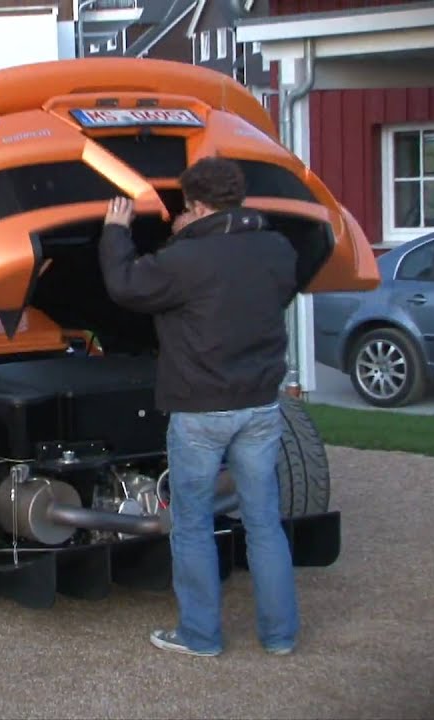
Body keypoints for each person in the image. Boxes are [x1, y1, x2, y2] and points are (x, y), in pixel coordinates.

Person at [97, 157, 301, 657]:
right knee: (264, 524)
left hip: (200, 411)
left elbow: (125, 285)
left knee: (192, 526)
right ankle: (279, 636)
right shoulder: (277, 248)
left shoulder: (186, 260)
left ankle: (200, 636)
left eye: (186, 207)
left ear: (199, 205)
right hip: (260, 406)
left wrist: (115, 232)